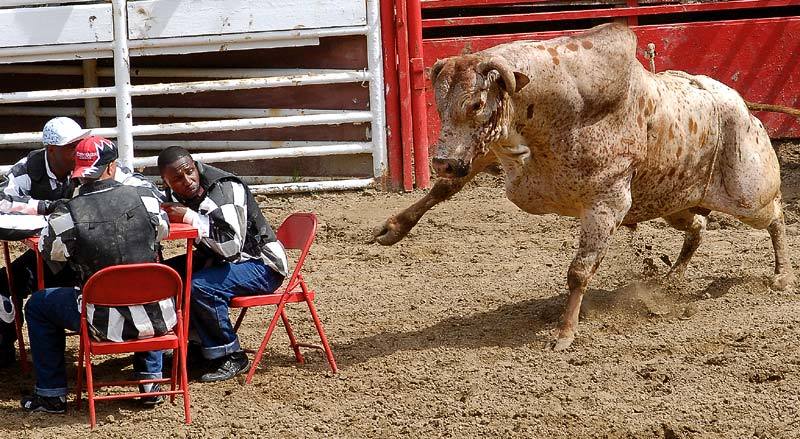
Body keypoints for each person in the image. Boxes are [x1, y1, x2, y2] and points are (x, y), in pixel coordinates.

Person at [20, 136, 172, 413]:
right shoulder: (146, 198)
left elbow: (50, 251)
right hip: (158, 317)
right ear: (112, 167)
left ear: (78, 171)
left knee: (39, 304)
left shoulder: (69, 211)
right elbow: (163, 231)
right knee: (143, 283)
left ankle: (51, 394)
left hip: (101, 321)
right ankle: (151, 382)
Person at [0, 118, 161, 367]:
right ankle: (5, 348)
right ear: (50, 150)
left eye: (79, 142)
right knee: (4, 283)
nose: (78, 148)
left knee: (134, 279)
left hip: (93, 254)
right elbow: (1, 201)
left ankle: (148, 368)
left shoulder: (93, 160)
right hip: (59, 254)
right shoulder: (28, 169)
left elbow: (148, 189)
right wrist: (46, 209)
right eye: (71, 145)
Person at [158, 146, 288, 382]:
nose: (187, 181)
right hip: (223, 260)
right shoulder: (174, 194)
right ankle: (199, 346)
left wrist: (188, 217)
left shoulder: (225, 187)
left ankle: (231, 354)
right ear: (165, 182)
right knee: (168, 275)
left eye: (189, 172)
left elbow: (231, 246)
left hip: (262, 264)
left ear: (195, 165)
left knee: (198, 286)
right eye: (177, 178)